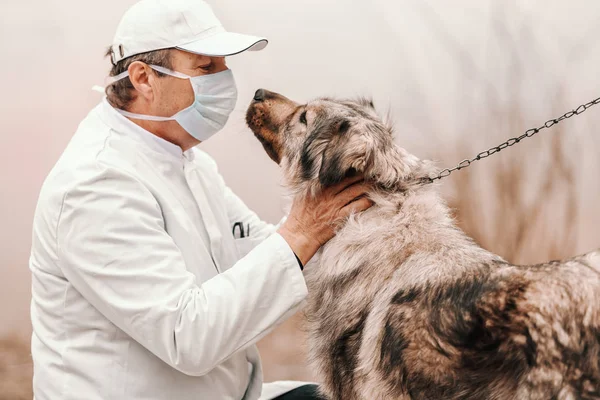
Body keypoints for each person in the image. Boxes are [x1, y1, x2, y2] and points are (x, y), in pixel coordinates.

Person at [29, 0, 372, 399]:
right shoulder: (96, 185)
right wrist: (300, 232)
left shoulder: (186, 161)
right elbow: (187, 337)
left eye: (223, 66)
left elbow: (264, 252)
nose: (225, 82)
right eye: (206, 68)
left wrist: (369, 227)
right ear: (143, 79)